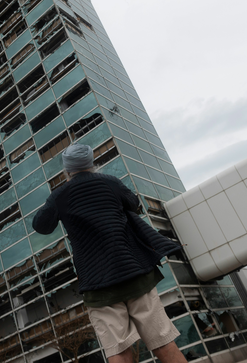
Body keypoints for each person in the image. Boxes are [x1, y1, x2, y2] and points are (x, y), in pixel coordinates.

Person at [33, 143, 188, 363]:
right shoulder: (111, 183)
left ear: (67, 170)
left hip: (99, 285)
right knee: (163, 343)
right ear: (91, 164)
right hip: (135, 274)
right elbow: (132, 204)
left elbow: (41, 225)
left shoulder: (60, 196)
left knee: (119, 351)